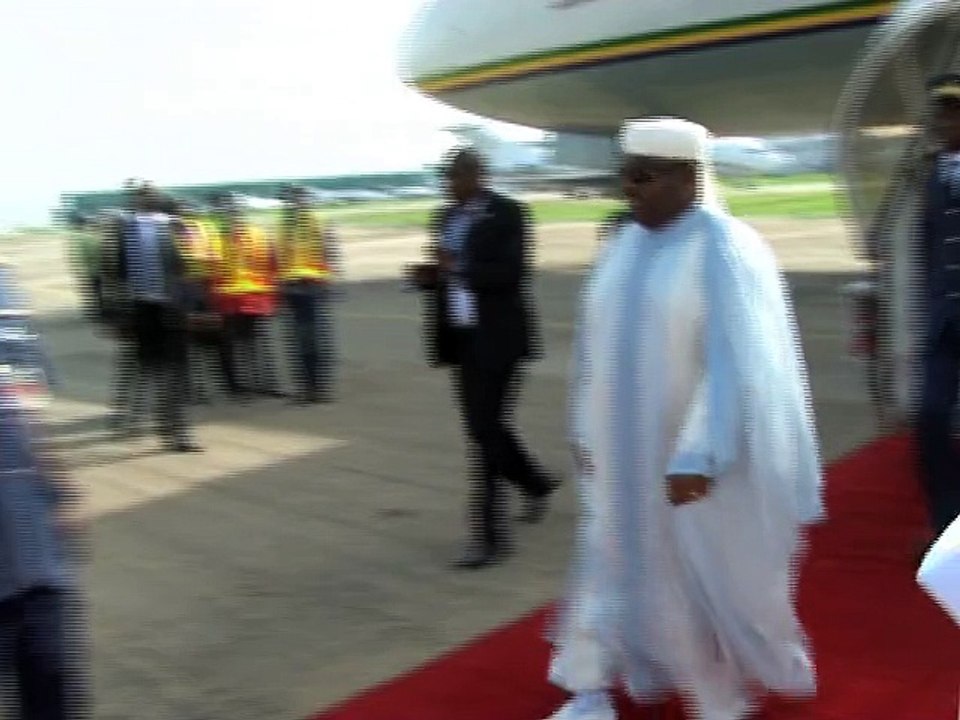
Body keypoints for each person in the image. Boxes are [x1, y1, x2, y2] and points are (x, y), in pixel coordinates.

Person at [545, 118, 824, 720]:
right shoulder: (624, 244)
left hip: (683, 459)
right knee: (609, 558)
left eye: (643, 176)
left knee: (694, 579)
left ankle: (715, 697)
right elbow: (595, 353)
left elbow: (736, 363)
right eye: (624, 176)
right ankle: (589, 686)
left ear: (687, 177)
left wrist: (703, 452)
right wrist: (583, 430)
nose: (629, 188)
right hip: (620, 454)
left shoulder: (723, 247)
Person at [409, 148, 558, 569]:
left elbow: (513, 273)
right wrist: (430, 276)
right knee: (486, 428)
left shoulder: (508, 213)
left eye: (454, 177)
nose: (448, 186)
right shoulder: (443, 219)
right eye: (445, 178)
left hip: (499, 337)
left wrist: (457, 270)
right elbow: (446, 272)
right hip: (459, 338)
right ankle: (535, 483)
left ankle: (489, 535)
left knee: (483, 431)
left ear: (477, 175)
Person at [0, 258, 89, 719]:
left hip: (30, 543)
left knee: (50, 686)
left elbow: (28, 408)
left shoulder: (4, 292)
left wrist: (62, 490)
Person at [116, 183, 201, 452]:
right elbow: (192, 268)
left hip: (145, 308)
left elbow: (117, 271)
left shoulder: (125, 229)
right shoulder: (178, 227)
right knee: (171, 371)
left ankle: (155, 424)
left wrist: (121, 313)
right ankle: (172, 429)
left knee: (152, 370)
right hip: (167, 308)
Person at [916, 73, 960, 553]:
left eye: (954, 112)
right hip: (944, 320)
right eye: (941, 113)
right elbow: (929, 246)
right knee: (930, 418)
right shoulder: (933, 173)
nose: (944, 121)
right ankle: (948, 525)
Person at [276, 185, 340, 403]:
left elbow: (329, 254)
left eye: (297, 199)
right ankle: (305, 387)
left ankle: (318, 388)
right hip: (292, 287)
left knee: (314, 339)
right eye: (289, 200)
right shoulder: (283, 226)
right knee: (297, 340)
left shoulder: (317, 221)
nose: (293, 203)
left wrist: (326, 283)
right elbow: (280, 259)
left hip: (311, 286)